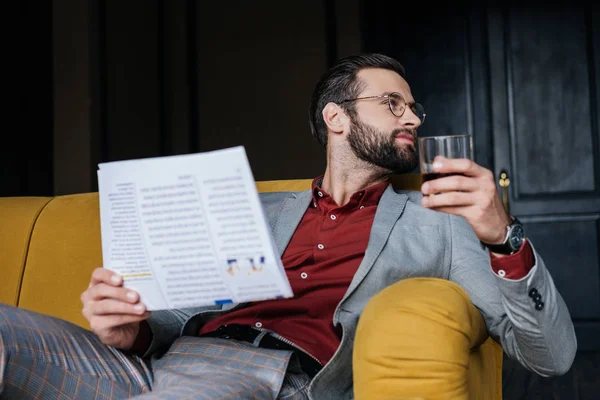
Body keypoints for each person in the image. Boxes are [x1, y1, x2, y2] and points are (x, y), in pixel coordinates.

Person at [0, 53, 576, 399]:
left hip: (266, 372)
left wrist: (505, 237)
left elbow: (551, 356)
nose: (415, 118)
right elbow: (178, 314)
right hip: (156, 366)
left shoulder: (439, 224)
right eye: (393, 103)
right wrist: (134, 330)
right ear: (337, 117)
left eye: (415, 107)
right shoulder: (252, 209)